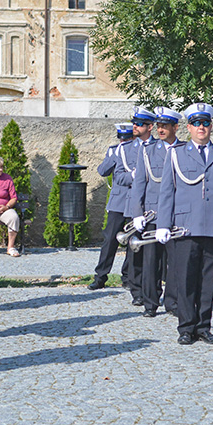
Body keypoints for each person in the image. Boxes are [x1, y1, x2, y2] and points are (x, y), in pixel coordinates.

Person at [156, 102, 213, 345]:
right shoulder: (176, 153)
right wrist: (163, 223)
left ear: (211, 126)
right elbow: (167, 192)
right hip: (185, 226)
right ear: (189, 127)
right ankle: (186, 327)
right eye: (196, 123)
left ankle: (204, 326)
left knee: (208, 281)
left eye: (205, 123)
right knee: (185, 279)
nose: (201, 127)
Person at [129, 106, 183, 317]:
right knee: (151, 262)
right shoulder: (148, 151)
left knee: (175, 262)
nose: (160, 130)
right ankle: (150, 303)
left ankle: (173, 302)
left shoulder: (183, 150)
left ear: (175, 127)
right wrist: (137, 213)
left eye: (165, 126)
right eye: (158, 126)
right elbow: (139, 184)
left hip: (176, 215)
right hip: (153, 213)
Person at [88, 113, 149, 292]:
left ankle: (128, 277)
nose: (124, 141)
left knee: (132, 241)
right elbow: (102, 171)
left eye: (127, 138)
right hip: (117, 202)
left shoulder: (140, 149)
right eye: (121, 138)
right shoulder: (115, 150)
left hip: (135, 202)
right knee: (110, 241)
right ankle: (100, 276)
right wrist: (114, 156)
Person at [116, 106, 157, 305]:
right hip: (134, 205)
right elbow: (118, 177)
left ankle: (154, 291)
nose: (135, 126)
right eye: (134, 123)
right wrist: (132, 175)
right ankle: (137, 291)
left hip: (154, 206)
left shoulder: (160, 146)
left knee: (154, 254)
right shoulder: (126, 149)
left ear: (150, 127)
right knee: (134, 252)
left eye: (139, 124)